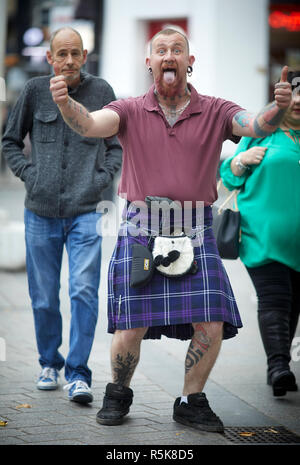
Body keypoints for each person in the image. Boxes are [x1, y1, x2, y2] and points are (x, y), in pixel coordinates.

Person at [49, 28, 292, 432]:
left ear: (189, 62)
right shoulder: (127, 109)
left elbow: (254, 125)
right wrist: (64, 103)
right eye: (160, 50)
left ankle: (190, 400)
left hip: (196, 227)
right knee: (131, 324)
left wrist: (278, 106)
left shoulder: (215, 109)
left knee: (211, 322)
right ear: (150, 62)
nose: (169, 56)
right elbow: (90, 124)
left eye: (177, 50)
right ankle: (118, 393)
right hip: (141, 229)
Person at [2, 27, 122, 404]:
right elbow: (9, 140)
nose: (69, 61)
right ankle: (48, 362)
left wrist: (100, 182)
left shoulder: (101, 91)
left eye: (75, 54)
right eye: (62, 54)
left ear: (84, 56)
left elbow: (116, 147)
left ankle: (78, 373)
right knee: (42, 297)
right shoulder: (36, 91)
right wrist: (30, 175)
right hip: (40, 212)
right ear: (50, 58)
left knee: (84, 292)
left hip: (86, 211)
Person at [220, 70, 300, 397]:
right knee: (276, 298)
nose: (298, 101)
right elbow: (229, 176)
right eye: (294, 94)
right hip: (260, 236)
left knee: (293, 301)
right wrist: (241, 159)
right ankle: (279, 365)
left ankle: (279, 364)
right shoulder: (264, 130)